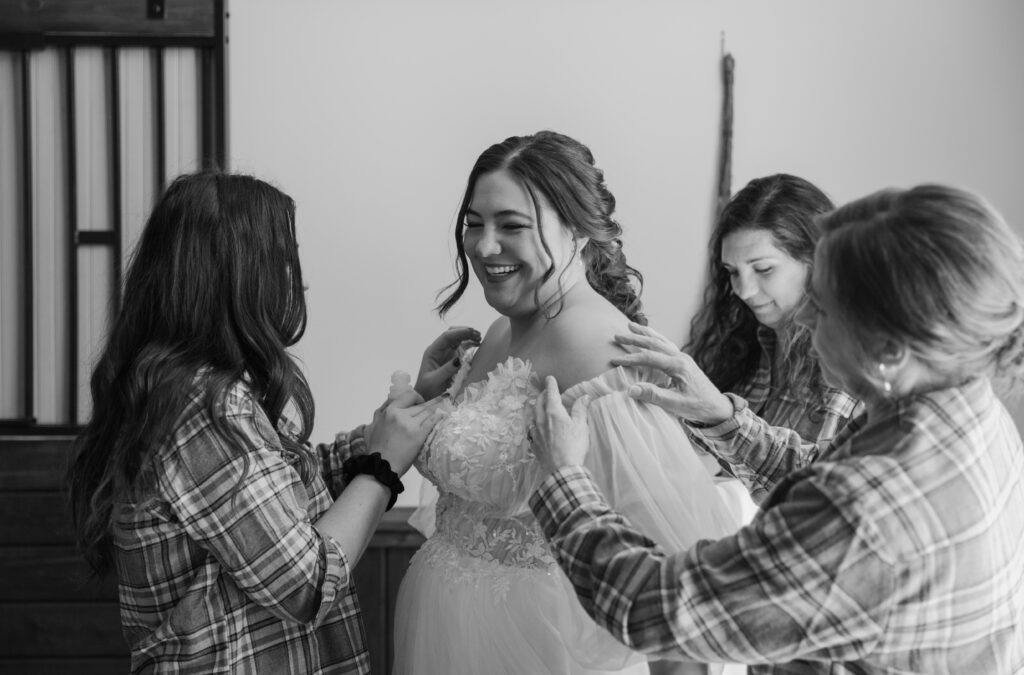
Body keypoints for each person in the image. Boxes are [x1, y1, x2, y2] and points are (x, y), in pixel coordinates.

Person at [529, 184, 1024, 673]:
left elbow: (652, 609)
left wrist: (564, 478)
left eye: (823, 306)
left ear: (890, 351)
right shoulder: (968, 403)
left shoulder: (863, 512)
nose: (803, 316)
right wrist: (721, 416)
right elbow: (819, 478)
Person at [65, 171, 478, 674]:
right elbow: (307, 583)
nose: (297, 278)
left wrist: (411, 406)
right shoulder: (204, 408)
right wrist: (383, 468)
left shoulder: (190, 389)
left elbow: (282, 496)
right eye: (282, 260)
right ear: (238, 274)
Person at [392, 131, 743, 675]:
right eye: (474, 223)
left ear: (579, 232)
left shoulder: (599, 350)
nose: (484, 247)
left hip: (544, 644)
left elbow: (673, 588)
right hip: (449, 624)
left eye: (512, 226)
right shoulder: (496, 336)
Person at [615, 174, 863, 505]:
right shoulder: (739, 351)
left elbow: (827, 488)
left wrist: (721, 416)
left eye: (763, 270)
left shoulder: (852, 366)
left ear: (817, 261)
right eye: (732, 272)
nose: (744, 290)